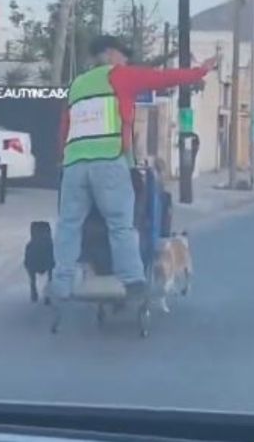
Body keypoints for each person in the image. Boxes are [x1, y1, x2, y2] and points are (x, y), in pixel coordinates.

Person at [50, 35, 216, 301]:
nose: (126, 60)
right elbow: (164, 78)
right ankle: (133, 280)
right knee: (121, 224)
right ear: (110, 54)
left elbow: (64, 127)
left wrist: (63, 158)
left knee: (70, 225)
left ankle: (61, 284)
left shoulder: (77, 85)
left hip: (74, 164)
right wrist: (201, 71)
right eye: (123, 55)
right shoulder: (120, 76)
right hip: (108, 161)